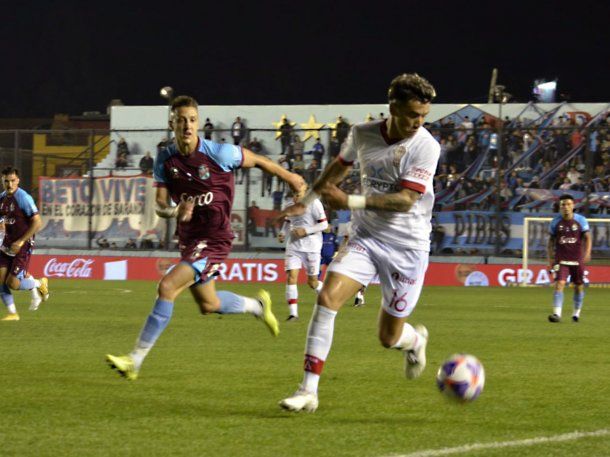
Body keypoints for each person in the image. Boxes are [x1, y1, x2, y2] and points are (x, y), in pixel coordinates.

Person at [106, 95, 305, 380]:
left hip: (214, 238)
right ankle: (256, 306)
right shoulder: (165, 157)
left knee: (167, 287)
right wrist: (176, 211)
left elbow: (258, 160)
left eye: (192, 120)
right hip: (189, 239)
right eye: (181, 120)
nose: (187, 125)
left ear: (198, 122)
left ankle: (135, 359)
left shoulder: (218, 153)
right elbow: (160, 205)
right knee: (208, 305)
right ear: (171, 123)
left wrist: (291, 178)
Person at [277, 73, 439, 412]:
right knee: (327, 297)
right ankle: (308, 391)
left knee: (388, 338)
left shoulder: (426, 145)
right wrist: (305, 203)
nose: (418, 122)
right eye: (412, 114)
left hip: (408, 248)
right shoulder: (362, 134)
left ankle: (414, 339)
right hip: (366, 237)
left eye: (423, 115)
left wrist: (349, 201)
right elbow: (338, 167)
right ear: (392, 107)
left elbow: (406, 200)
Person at [0, 167, 49, 321]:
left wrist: (21, 241)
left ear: (18, 181)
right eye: (6, 181)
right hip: (6, 244)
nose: (9, 184)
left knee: (13, 283)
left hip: (23, 245)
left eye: (12, 181)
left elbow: (37, 222)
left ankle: (38, 283)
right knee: (0, 279)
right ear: (2, 181)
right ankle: (13, 313)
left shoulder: (23, 198)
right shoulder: (2, 198)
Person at [278, 186, 327, 321]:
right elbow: (288, 221)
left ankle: (328, 296)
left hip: (312, 247)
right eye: (293, 194)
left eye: (298, 194)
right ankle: (293, 314)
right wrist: (283, 233)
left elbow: (324, 225)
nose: (295, 197)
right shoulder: (289, 205)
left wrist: (306, 231)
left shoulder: (315, 204)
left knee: (312, 283)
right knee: (291, 277)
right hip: (294, 246)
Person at [547, 194, 591, 323]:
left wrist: (587, 253)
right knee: (559, 283)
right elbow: (550, 242)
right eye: (563, 205)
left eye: (568, 204)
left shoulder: (581, 220)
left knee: (578, 286)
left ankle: (576, 314)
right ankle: (557, 314)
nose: (566, 207)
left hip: (577, 259)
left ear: (573, 206)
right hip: (561, 259)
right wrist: (550, 258)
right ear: (560, 207)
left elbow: (588, 238)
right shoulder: (555, 222)